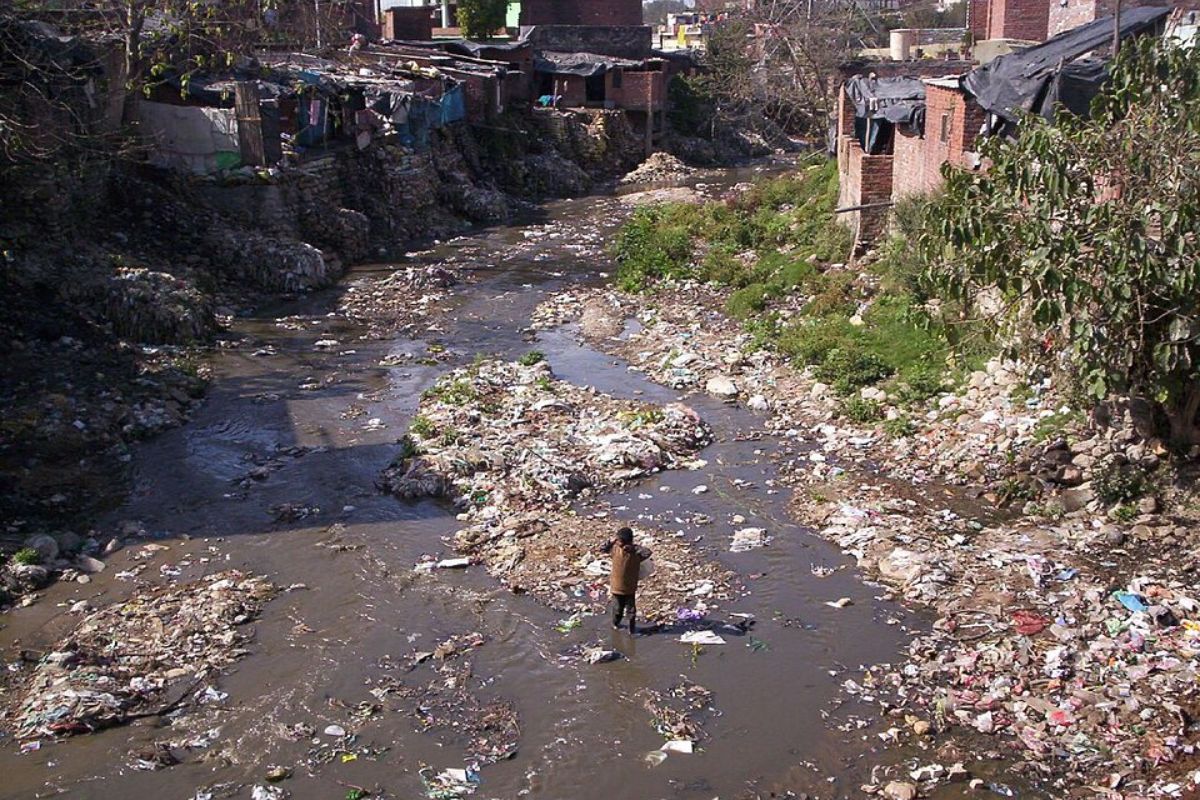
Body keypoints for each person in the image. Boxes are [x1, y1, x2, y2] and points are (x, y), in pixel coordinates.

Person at [600, 527, 651, 634]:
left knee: (631, 611)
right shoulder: (615, 549)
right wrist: (612, 541)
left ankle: (631, 630)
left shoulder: (636, 553)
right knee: (617, 610)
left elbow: (648, 552)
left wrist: (634, 548)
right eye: (617, 541)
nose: (618, 543)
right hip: (617, 588)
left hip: (629, 588)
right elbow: (603, 549)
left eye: (620, 541)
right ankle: (615, 625)